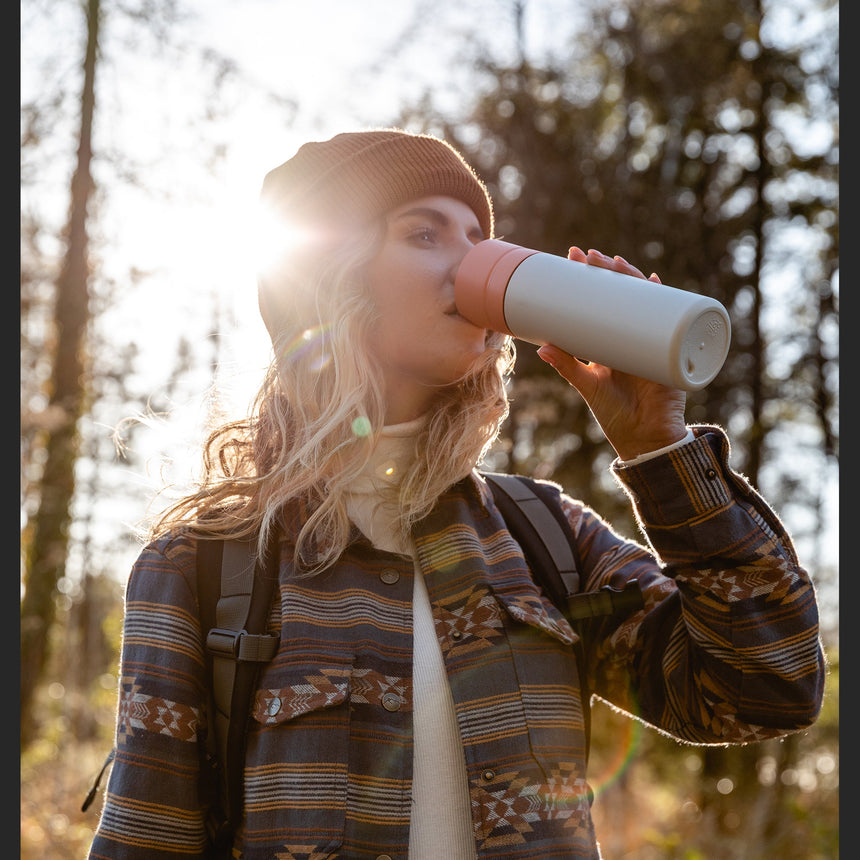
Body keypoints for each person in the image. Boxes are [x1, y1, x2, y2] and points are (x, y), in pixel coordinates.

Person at [88, 128, 826, 860]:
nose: (473, 262)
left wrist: (659, 450)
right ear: (329, 279)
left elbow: (766, 689)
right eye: (425, 233)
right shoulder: (202, 569)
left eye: (478, 237)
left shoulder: (543, 538)